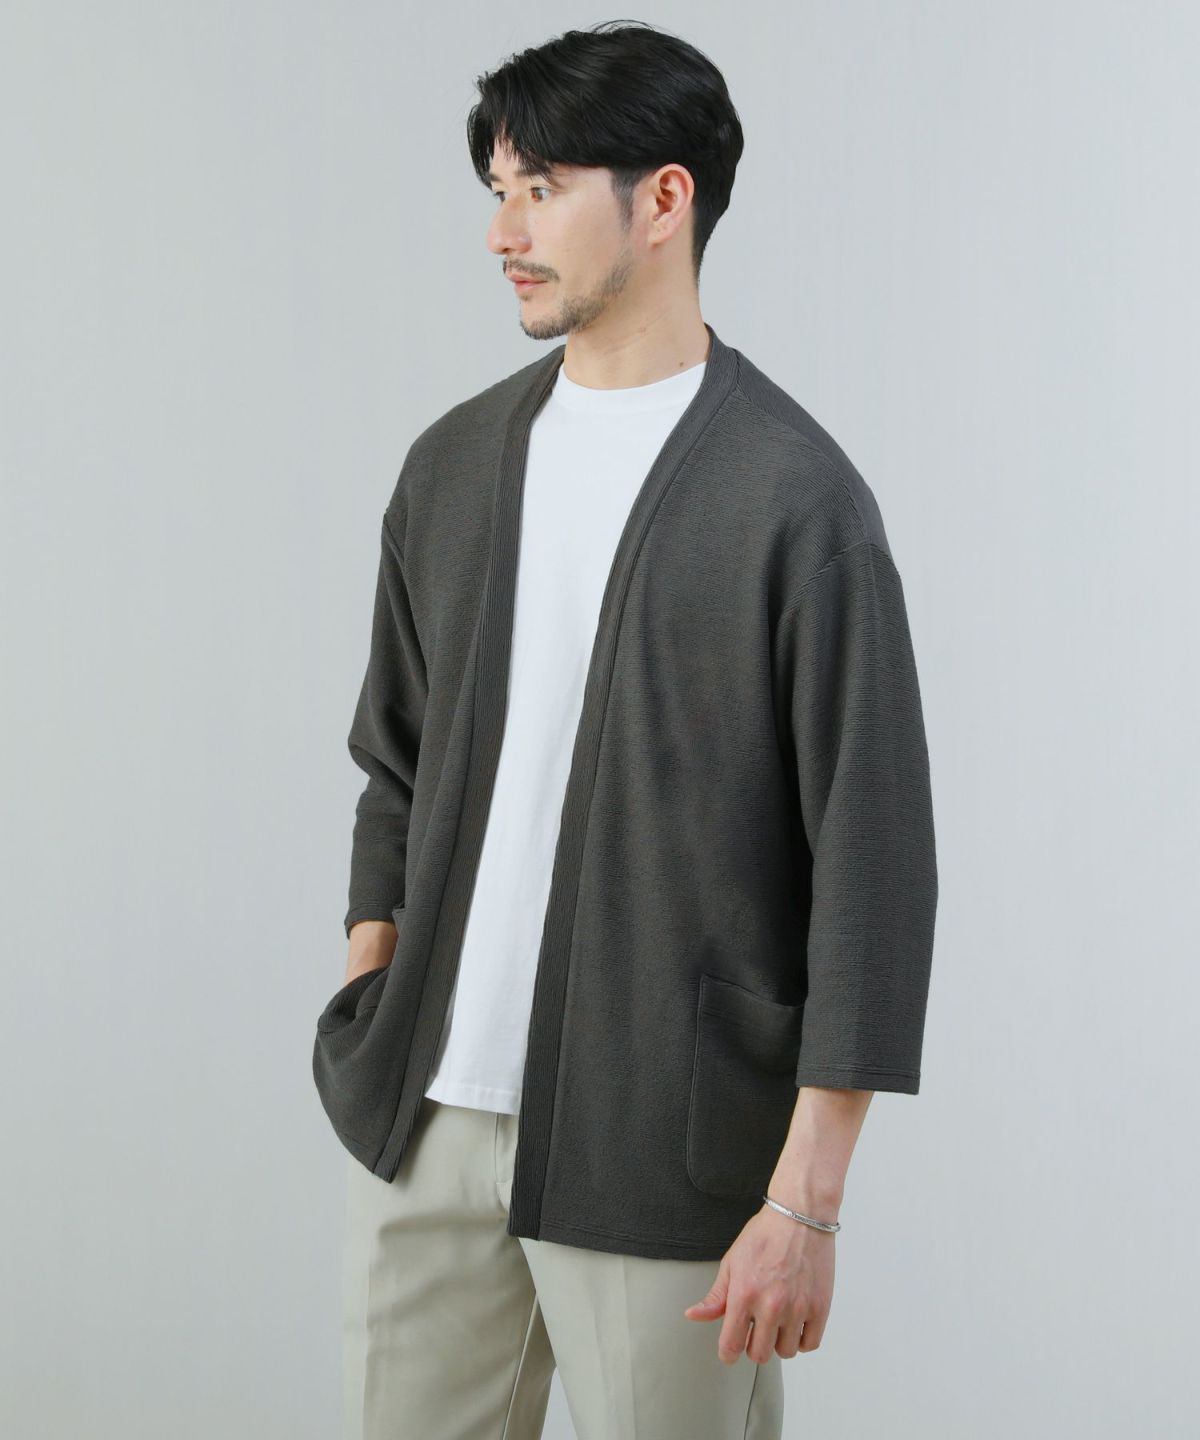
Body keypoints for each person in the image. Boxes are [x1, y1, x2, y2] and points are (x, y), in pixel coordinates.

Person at [314, 20, 938, 1440]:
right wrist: (373, 987)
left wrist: (806, 1199)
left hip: (664, 1144)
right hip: (426, 1124)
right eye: (498, 191)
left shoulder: (794, 500)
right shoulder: (452, 468)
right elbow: (393, 764)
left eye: (540, 189)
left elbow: (874, 865)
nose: (501, 233)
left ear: (663, 200)